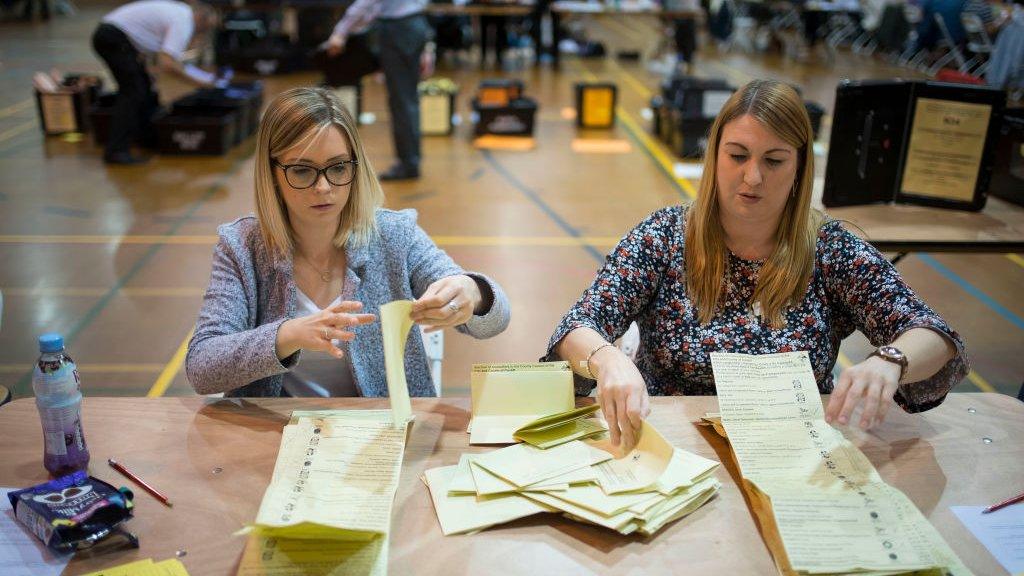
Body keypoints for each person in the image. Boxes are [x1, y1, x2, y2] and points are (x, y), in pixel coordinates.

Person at [545, 79, 968, 451]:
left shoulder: (830, 248)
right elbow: (578, 325)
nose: (752, 178)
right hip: (673, 447)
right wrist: (607, 358)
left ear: (800, 167)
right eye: (738, 156)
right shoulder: (665, 235)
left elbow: (936, 338)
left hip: (796, 454)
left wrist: (891, 359)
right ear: (715, 157)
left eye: (773, 160)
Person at [186, 87, 510, 397]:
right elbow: (202, 366)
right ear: (271, 174)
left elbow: (496, 320)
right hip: (275, 437)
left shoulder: (393, 234)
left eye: (338, 167)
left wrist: (472, 292)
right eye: (302, 171)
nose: (324, 187)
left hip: (383, 435)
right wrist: (289, 334)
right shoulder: (242, 246)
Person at [91, 0, 223, 165]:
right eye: (206, 29)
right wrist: (200, 82)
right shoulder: (184, 23)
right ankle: (116, 151)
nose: (204, 33)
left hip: (114, 35)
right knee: (133, 93)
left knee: (144, 88)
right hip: (113, 37)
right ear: (201, 20)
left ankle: (145, 138)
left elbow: (145, 38)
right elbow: (167, 64)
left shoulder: (181, 12)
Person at [325, 0, 435, 181]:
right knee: (408, 98)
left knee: (401, 100)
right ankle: (411, 160)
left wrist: (340, 32)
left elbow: (366, 2)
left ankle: (408, 164)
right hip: (415, 24)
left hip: (397, 30)